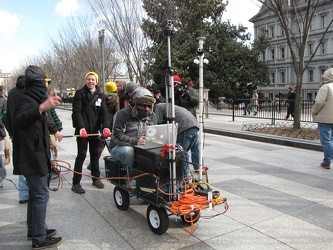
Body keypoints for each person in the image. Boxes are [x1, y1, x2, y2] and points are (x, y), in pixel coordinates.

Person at [12, 65, 62, 248]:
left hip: (35, 154)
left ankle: (35, 229)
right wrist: (41, 108)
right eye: (44, 82)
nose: (46, 85)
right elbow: (17, 120)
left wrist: (44, 106)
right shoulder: (27, 100)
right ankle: (39, 238)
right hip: (31, 156)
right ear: (38, 83)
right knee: (40, 195)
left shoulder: (32, 98)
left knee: (35, 194)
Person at [71, 72, 111, 194]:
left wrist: (106, 127)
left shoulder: (100, 94)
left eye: (93, 79)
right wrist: (81, 127)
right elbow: (76, 112)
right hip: (83, 131)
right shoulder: (79, 93)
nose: (90, 81)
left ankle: (96, 178)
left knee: (95, 155)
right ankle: (76, 183)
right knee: (81, 155)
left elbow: (104, 112)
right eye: (88, 79)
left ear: (96, 81)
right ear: (85, 80)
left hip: (95, 131)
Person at [109, 87, 157, 185]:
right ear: (133, 104)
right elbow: (116, 136)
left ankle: (152, 180)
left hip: (141, 146)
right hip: (119, 147)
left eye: (148, 106)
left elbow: (154, 133)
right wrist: (135, 141)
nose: (146, 108)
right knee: (129, 151)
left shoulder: (152, 116)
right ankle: (130, 177)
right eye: (143, 105)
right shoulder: (122, 114)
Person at [154, 103, 200, 177]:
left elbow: (158, 124)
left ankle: (184, 177)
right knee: (195, 148)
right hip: (194, 124)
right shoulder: (171, 106)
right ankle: (198, 167)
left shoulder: (158, 106)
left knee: (182, 153)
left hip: (184, 126)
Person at [5, 75, 30, 204]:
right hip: (30, 134)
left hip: (17, 134)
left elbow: (8, 114)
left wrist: (11, 132)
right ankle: (33, 191)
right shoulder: (29, 92)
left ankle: (23, 195)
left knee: (21, 163)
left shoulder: (12, 93)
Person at [87, 81, 119, 170]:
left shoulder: (101, 97)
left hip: (102, 123)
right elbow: (117, 112)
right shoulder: (116, 99)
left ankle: (93, 163)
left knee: (100, 145)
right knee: (113, 143)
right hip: (111, 123)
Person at [312, 68, 333, 169]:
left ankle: (327, 161)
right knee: (331, 139)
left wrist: (314, 112)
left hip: (325, 118)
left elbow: (319, 102)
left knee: (326, 140)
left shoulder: (325, 87)